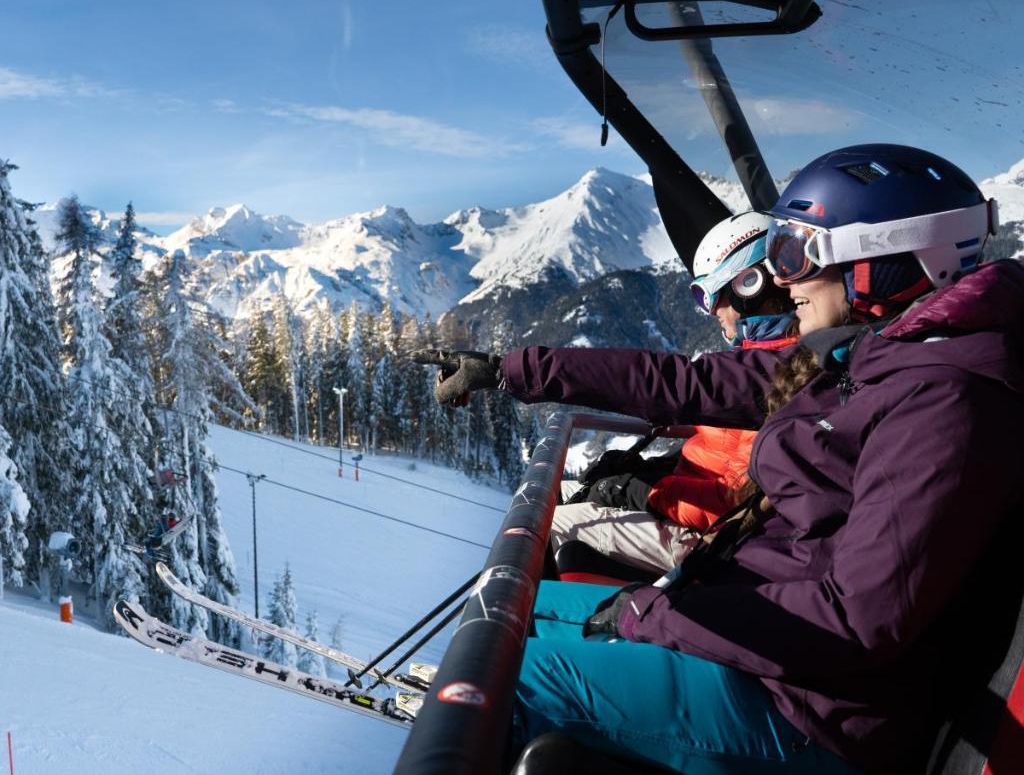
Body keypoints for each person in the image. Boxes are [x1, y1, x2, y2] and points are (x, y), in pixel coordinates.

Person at [416, 144, 1015, 773]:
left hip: (815, 708)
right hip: (757, 629)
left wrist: (658, 614)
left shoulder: (942, 402)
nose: (782, 279)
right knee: (502, 616)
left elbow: (857, 621)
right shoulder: (862, 357)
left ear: (876, 260)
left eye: (794, 252)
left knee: (493, 688)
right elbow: (682, 383)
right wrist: (514, 369)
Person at [551, 212, 798, 577]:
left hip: (713, 541)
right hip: (689, 513)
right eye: (702, 297)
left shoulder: (784, 376)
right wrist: (649, 470)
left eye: (714, 293)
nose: (712, 310)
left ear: (753, 285)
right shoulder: (755, 363)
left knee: (549, 523)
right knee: (551, 493)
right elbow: (716, 457)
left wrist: (637, 490)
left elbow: (730, 503)